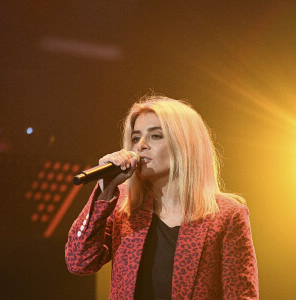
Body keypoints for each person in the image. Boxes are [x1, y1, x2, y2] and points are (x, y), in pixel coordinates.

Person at [65, 95, 259, 299]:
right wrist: (104, 192)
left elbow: (240, 294)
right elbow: (79, 262)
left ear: (185, 145)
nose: (140, 146)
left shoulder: (227, 214)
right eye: (135, 137)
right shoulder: (124, 205)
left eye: (155, 136)